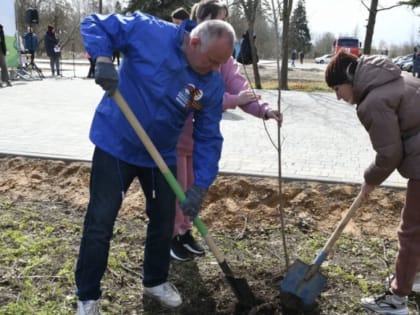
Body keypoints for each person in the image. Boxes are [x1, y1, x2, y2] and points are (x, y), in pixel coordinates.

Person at [75, 11, 235, 313]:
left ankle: (155, 280)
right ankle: (88, 296)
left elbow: (208, 137)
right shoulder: (149, 32)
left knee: (164, 222)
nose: (215, 70)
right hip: (116, 141)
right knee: (101, 220)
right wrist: (104, 58)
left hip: (160, 154)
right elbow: (94, 22)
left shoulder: (210, 85)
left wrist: (200, 185)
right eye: (212, 61)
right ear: (195, 41)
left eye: (221, 64)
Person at [170, 0, 282, 261]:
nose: (225, 26)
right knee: (175, 191)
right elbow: (191, 99)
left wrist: (264, 109)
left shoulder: (224, 57)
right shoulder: (186, 49)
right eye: (220, 19)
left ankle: (185, 232)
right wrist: (232, 101)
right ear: (204, 21)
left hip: (199, 138)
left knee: (192, 189)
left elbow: (238, 86)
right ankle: (170, 237)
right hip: (174, 137)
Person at [325, 50, 420, 315]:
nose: (337, 96)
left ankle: (397, 299)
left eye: (337, 88)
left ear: (348, 79)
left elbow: (389, 154)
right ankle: (414, 277)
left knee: (411, 231)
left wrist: (370, 179)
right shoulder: (396, 77)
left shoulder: (373, 102)